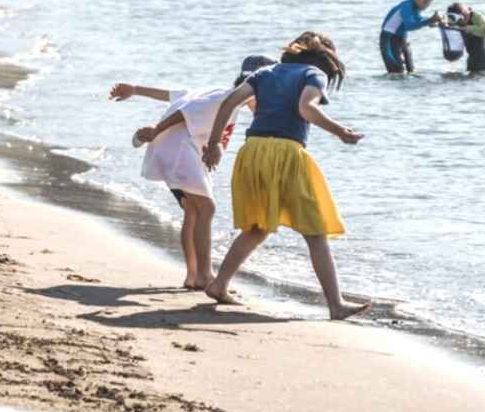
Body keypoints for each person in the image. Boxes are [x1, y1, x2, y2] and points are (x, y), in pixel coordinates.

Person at [200, 33, 370, 320]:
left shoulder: (265, 71)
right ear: (326, 60)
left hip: (252, 150)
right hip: (285, 152)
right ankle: (336, 304)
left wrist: (215, 143)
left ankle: (218, 285)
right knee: (315, 232)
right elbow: (306, 108)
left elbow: (229, 103)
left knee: (258, 227)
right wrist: (341, 132)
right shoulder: (314, 74)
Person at [109, 55, 273, 290]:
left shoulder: (219, 92)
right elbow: (186, 110)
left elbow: (173, 95)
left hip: (173, 151)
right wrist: (157, 129)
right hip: (178, 150)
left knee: (193, 211)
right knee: (207, 208)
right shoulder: (226, 98)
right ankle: (205, 275)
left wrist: (135, 89)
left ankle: (193, 275)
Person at [379, 0, 442, 75]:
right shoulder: (407, 6)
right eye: (425, 1)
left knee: (411, 71)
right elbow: (409, 26)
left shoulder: (415, 7)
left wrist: (431, 22)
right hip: (389, 40)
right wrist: (429, 20)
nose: (426, 6)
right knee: (397, 72)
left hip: (401, 39)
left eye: (429, 2)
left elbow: (418, 19)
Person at [447, 2, 485, 74]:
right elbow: (447, 25)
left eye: (465, 16)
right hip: (471, 58)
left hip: (483, 59)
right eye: (459, 20)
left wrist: (468, 28)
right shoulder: (456, 19)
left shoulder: (475, 16)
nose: (462, 22)